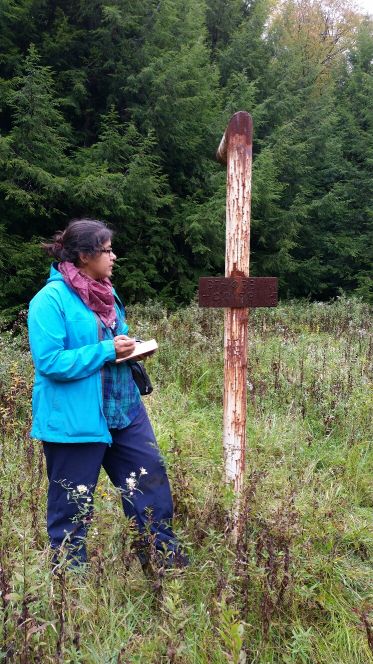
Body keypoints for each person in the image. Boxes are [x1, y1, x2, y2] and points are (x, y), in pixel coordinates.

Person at [28, 218, 186, 573]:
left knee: (151, 490)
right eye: (107, 250)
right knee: (73, 507)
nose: (114, 256)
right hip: (75, 421)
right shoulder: (49, 301)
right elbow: (50, 361)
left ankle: (166, 573)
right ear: (84, 255)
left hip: (124, 411)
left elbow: (118, 334)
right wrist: (106, 351)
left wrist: (131, 347)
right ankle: (72, 592)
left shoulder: (106, 291)